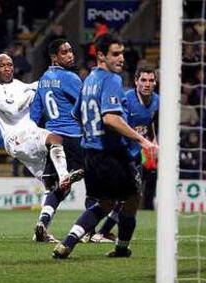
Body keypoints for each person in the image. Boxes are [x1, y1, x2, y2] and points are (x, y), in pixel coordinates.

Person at [52, 33, 158, 259]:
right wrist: (143, 141)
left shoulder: (89, 79)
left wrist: (91, 132)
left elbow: (76, 114)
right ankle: (121, 248)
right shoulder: (112, 80)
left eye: (122, 53)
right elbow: (111, 119)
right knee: (132, 199)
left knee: (105, 204)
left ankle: (67, 242)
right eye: (115, 54)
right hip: (110, 153)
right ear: (101, 55)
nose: (121, 58)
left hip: (91, 152)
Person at [0, 54, 83, 242]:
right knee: (55, 138)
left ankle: (42, 227)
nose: (7, 68)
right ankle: (65, 174)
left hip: (28, 141)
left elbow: (39, 86)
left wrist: (51, 77)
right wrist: (33, 91)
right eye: (2, 66)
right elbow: (13, 109)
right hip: (16, 137)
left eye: (10, 65)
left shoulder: (21, 85)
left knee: (53, 186)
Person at [89, 65, 159, 243]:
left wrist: (153, 141)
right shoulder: (126, 99)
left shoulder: (157, 101)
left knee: (127, 199)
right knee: (118, 198)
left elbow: (150, 122)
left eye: (151, 80)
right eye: (143, 80)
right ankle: (92, 231)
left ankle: (99, 232)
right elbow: (116, 123)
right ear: (136, 81)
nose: (147, 84)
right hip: (121, 153)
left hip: (138, 154)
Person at [30, 39, 85, 243]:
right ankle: (89, 230)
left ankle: (43, 221)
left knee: (58, 187)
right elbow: (84, 105)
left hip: (52, 140)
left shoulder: (43, 79)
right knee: (96, 181)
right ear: (54, 57)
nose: (70, 55)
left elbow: (35, 114)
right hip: (74, 137)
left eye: (71, 51)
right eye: (65, 52)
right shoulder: (70, 77)